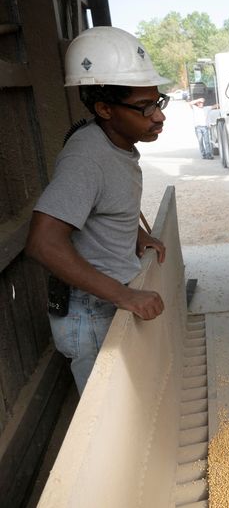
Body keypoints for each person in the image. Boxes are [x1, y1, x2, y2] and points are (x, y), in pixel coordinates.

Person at [25, 26, 169, 394]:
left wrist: (134, 232)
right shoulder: (87, 157)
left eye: (159, 102)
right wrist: (125, 296)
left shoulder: (114, 143)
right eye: (145, 108)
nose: (158, 117)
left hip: (105, 300)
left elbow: (97, 205)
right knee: (107, 421)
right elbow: (43, 242)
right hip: (90, 312)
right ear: (104, 108)